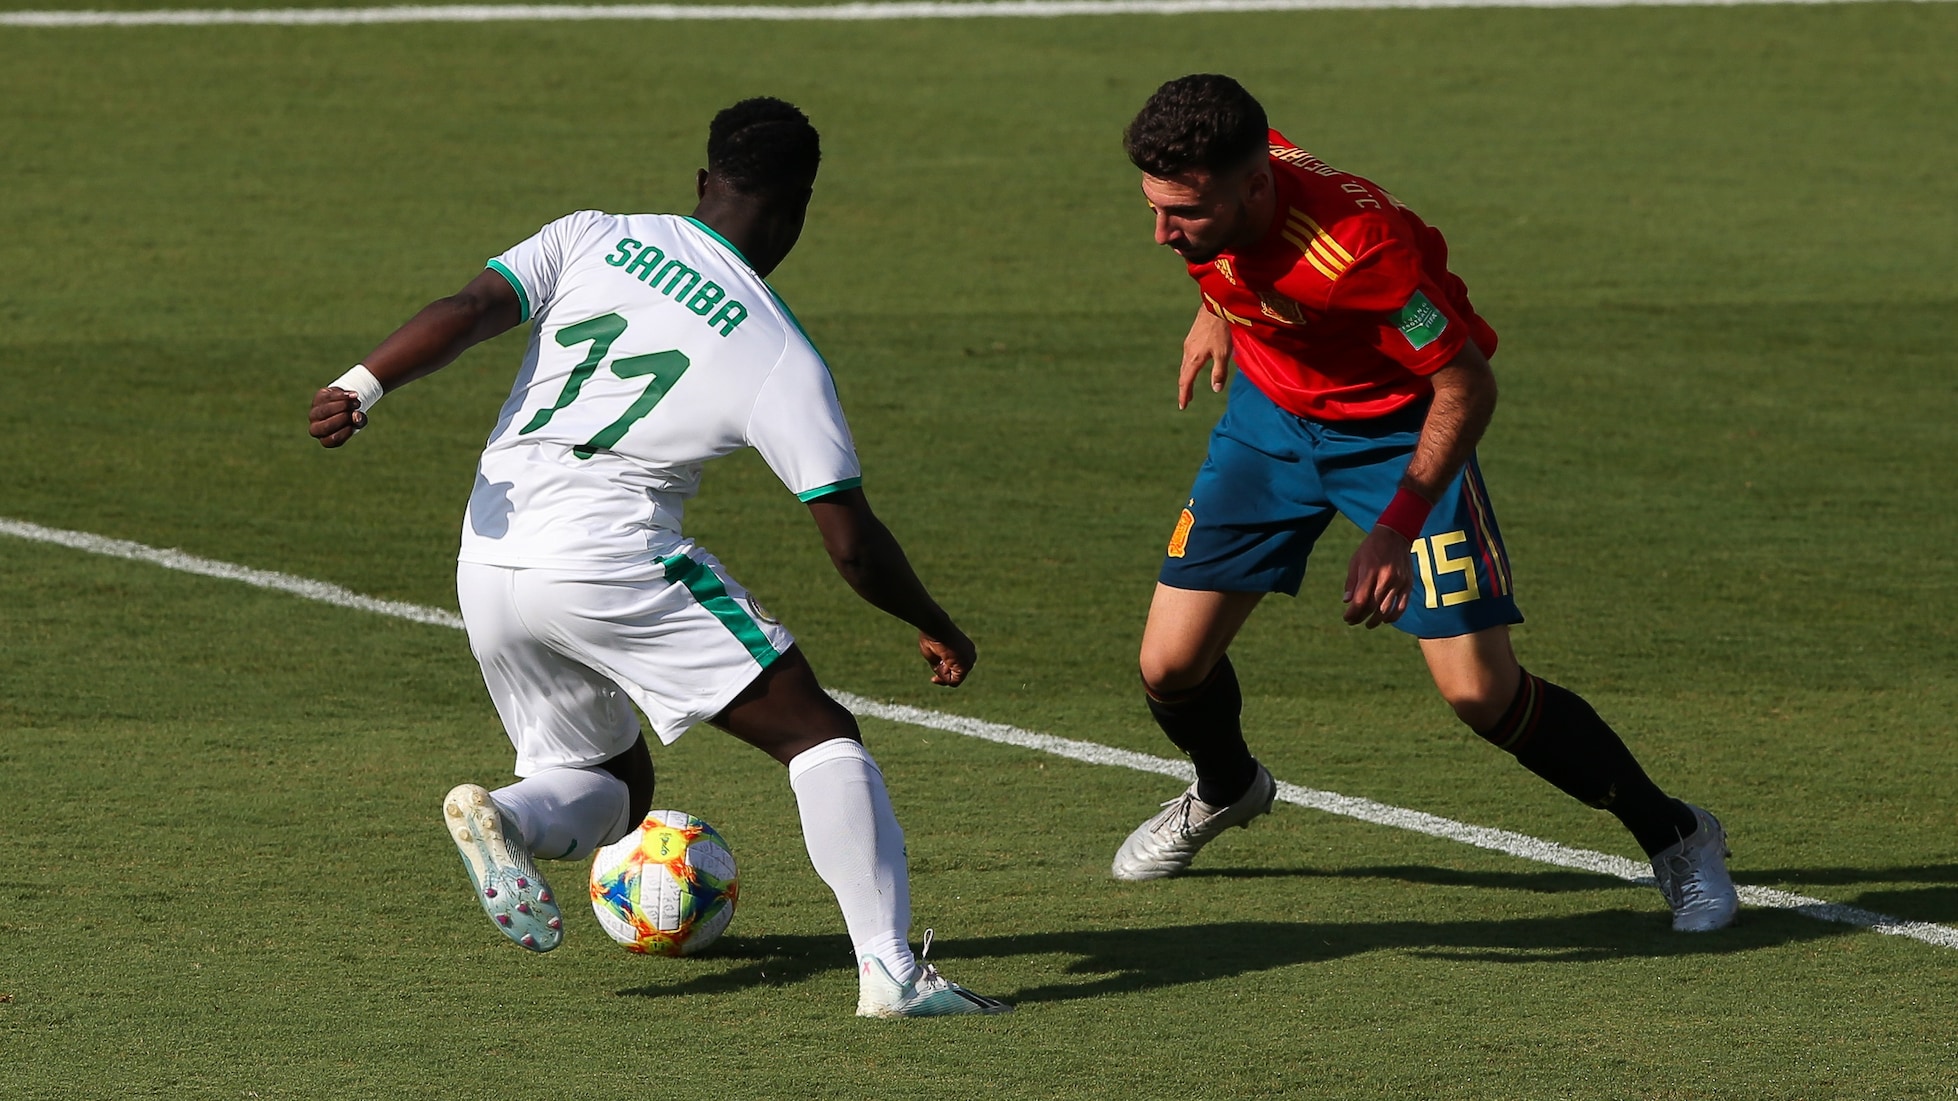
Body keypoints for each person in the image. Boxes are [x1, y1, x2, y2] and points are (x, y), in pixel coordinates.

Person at [307, 98, 1010, 1016]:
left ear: (703, 183)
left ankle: (509, 816)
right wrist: (933, 621)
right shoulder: (779, 355)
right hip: (608, 561)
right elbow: (851, 541)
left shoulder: (593, 234)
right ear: (797, 210)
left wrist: (362, 383)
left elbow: (472, 307)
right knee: (819, 735)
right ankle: (891, 971)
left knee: (614, 782)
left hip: (489, 552)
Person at [1109, 74, 1739, 933]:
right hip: (1269, 423)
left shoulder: (1359, 256)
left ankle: (1678, 834)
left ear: (1255, 188)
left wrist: (1395, 527)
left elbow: (1466, 386)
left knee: (1481, 691)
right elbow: (1218, 243)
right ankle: (1227, 789)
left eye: (1183, 214)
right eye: (1153, 206)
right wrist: (1219, 308)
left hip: (1395, 436)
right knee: (1170, 668)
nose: (1161, 232)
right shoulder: (1237, 165)